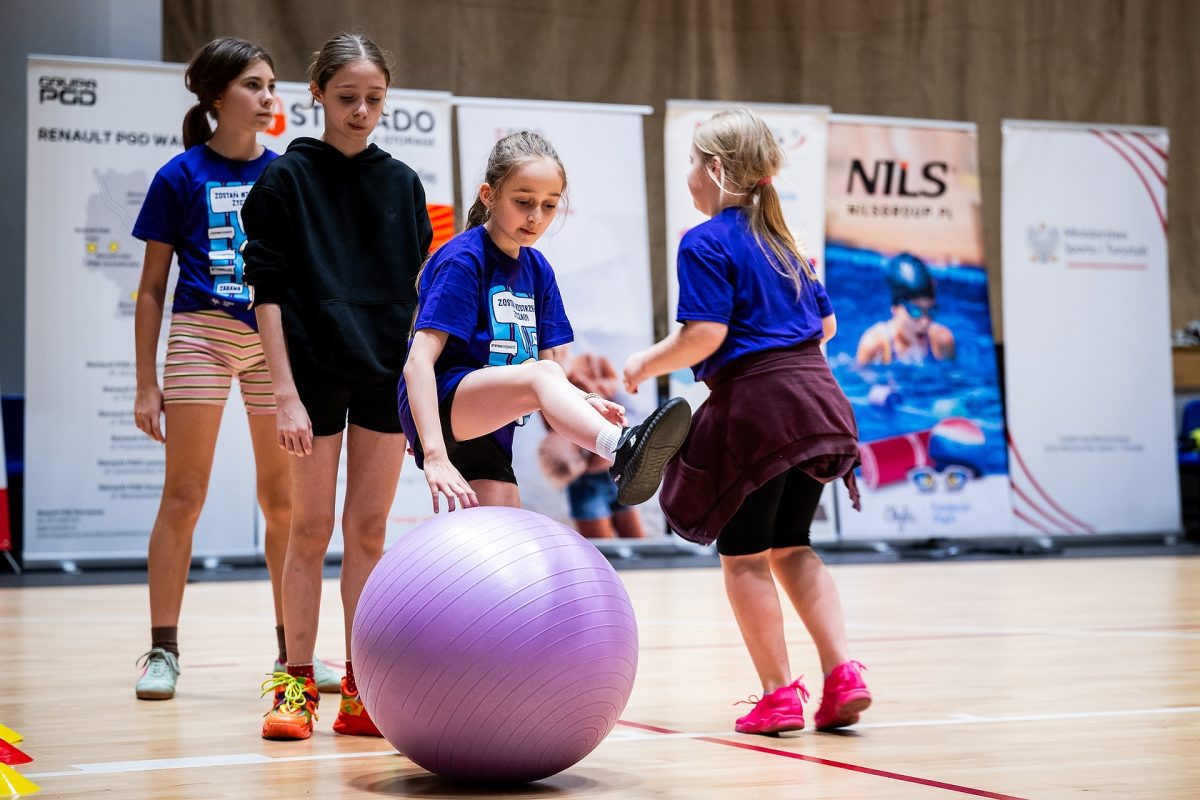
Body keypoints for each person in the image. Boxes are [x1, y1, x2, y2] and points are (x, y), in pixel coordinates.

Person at [622, 107, 871, 735]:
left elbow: (705, 335)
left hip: (760, 412)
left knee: (745, 558)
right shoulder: (785, 244)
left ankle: (778, 695)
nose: (688, 174)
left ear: (712, 168)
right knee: (794, 545)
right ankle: (843, 674)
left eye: (691, 162)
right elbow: (827, 327)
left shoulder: (703, 240)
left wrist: (643, 363)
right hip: (821, 403)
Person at [130, 37, 339, 701]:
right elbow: (151, 289)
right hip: (200, 336)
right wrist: (146, 382)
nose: (269, 97)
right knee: (184, 495)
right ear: (217, 96)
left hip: (271, 347)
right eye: (253, 85)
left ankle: (293, 654)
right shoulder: (179, 176)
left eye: (272, 85)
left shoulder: (287, 174)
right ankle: (162, 651)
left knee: (283, 501)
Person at [241, 32, 432, 741]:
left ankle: (361, 686)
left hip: (383, 375)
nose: (361, 111)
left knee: (369, 532)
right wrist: (284, 393)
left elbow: (415, 295)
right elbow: (265, 296)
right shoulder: (285, 180)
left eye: (374, 99)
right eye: (347, 97)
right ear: (316, 94)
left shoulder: (403, 183)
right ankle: (294, 685)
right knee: (308, 529)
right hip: (311, 375)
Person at [398, 131, 690, 516]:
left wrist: (585, 402)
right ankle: (622, 447)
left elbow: (551, 379)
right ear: (489, 196)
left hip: (493, 421)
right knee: (543, 374)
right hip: (445, 404)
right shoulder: (464, 260)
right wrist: (433, 451)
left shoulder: (537, 270)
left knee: (503, 530)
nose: (536, 217)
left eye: (549, 206)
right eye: (524, 202)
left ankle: (620, 446)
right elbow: (418, 362)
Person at [538, 353, 647, 539]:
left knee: (638, 547)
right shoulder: (548, 383)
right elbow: (555, 425)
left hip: (613, 473)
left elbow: (620, 390)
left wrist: (590, 387)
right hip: (589, 479)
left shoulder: (593, 362)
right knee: (607, 552)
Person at [855, 252, 956, 365]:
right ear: (895, 309)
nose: (925, 321)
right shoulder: (874, 345)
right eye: (915, 311)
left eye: (931, 310)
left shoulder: (942, 341)